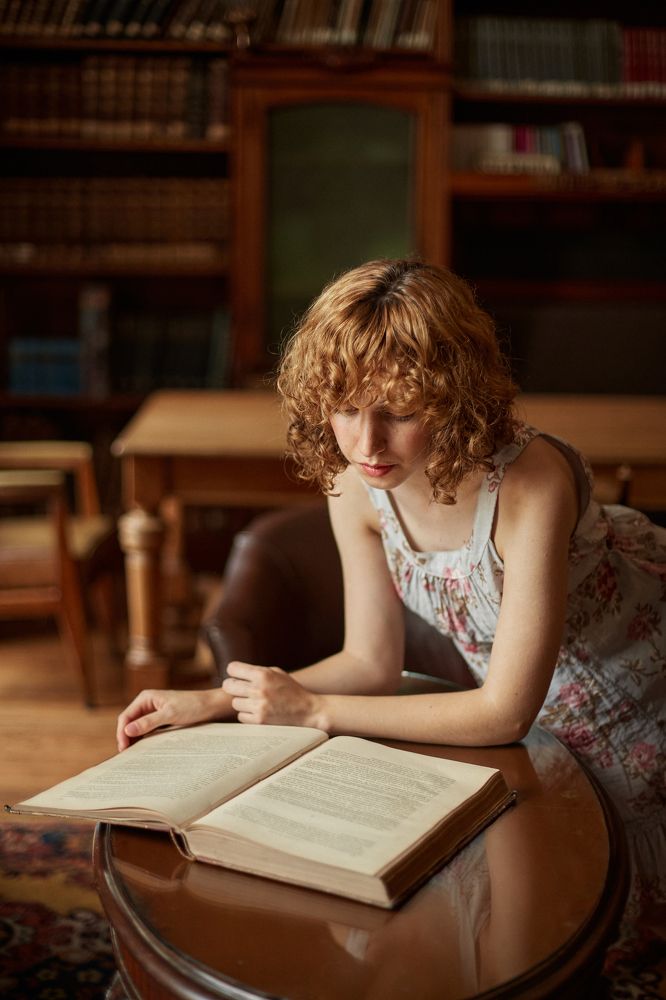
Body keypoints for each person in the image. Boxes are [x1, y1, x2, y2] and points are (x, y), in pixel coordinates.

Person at [116, 258, 665, 967]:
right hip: (541, 723)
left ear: (456, 395)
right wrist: (214, 701)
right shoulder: (355, 491)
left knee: (612, 937)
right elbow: (370, 663)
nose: (367, 444)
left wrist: (314, 711)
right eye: (345, 409)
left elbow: (502, 713)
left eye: (399, 412)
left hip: (644, 690)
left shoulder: (531, 483)